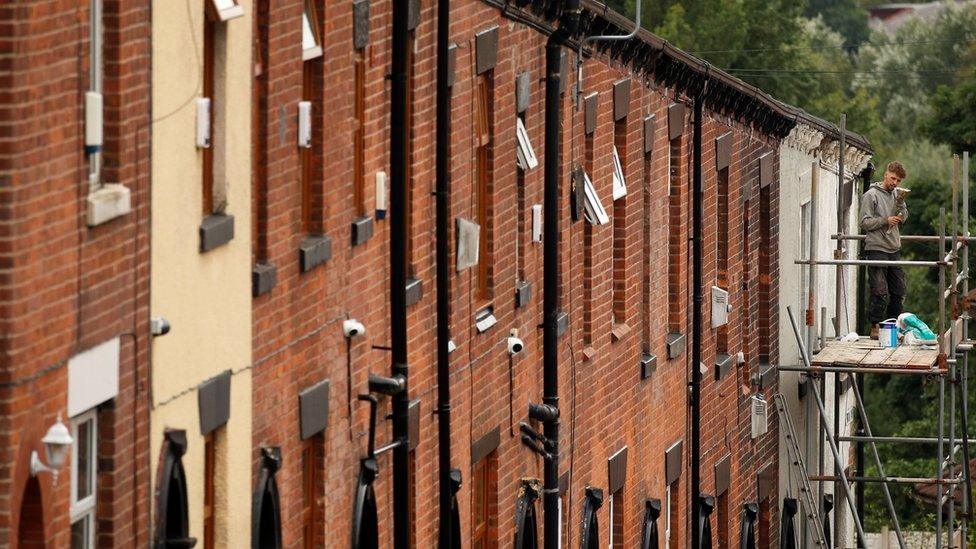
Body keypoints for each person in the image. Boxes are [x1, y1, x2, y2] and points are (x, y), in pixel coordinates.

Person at [859, 161, 909, 337]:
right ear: (886, 174)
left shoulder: (897, 195)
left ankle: (893, 326)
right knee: (879, 290)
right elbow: (864, 222)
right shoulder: (871, 195)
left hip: (893, 247)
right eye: (893, 178)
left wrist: (901, 204)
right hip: (876, 246)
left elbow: (905, 218)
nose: (895, 183)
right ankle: (876, 326)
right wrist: (885, 220)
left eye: (898, 181)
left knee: (899, 289)